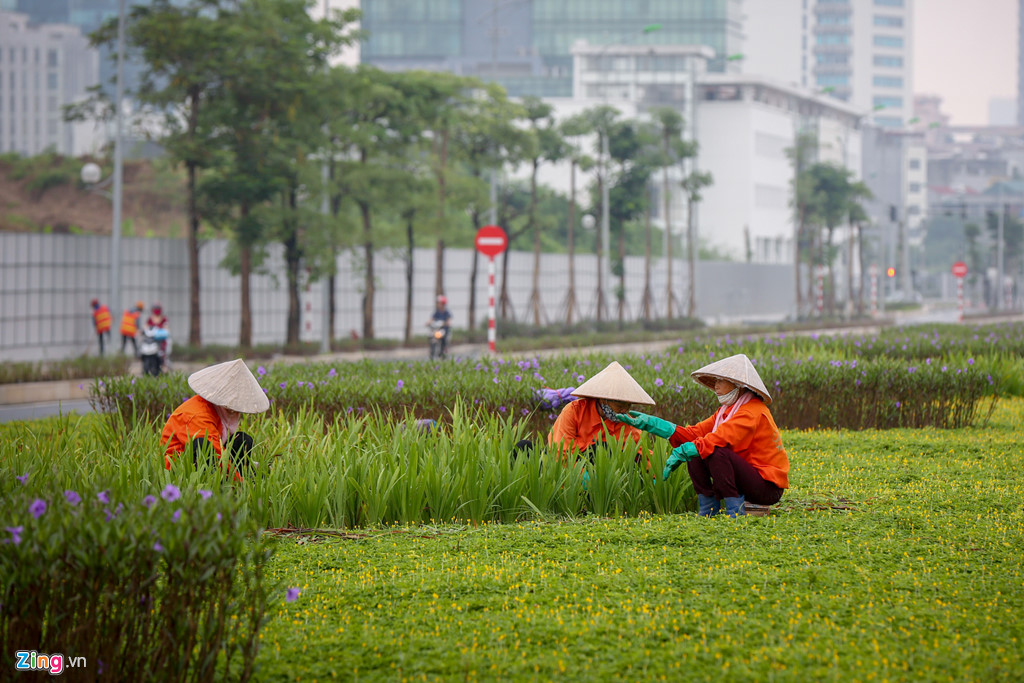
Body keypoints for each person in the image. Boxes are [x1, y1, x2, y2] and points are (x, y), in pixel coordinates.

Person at [616, 353, 789, 518]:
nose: (716, 386)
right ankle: (708, 507)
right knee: (697, 446)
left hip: (766, 487)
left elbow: (718, 439)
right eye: (715, 381)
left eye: (721, 381)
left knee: (712, 450)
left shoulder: (752, 411)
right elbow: (693, 434)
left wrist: (684, 451)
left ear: (738, 385)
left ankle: (734, 511)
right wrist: (651, 423)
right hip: (747, 479)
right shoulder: (725, 412)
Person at [161, 359, 270, 481]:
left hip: (209, 456)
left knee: (242, 440)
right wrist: (241, 484)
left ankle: (235, 479)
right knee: (203, 445)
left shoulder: (218, 409)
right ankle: (223, 485)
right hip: (180, 470)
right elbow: (218, 455)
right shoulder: (197, 415)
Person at [545, 361, 655, 465]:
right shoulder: (574, 411)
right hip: (571, 468)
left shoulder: (627, 424)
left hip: (601, 473)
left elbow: (644, 455)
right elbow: (560, 454)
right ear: (603, 399)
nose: (624, 411)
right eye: (620, 405)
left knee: (603, 449)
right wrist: (581, 477)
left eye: (628, 405)